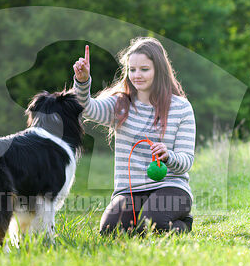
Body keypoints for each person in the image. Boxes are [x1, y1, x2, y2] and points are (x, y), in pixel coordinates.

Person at [72, 37, 196, 235]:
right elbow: (86, 108)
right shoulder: (121, 104)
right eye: (132, 69)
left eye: (144, 69)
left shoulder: (181, 108)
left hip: (171, 187)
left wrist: (168, 156)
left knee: (151, 224)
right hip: (130, 191)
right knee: (111, 232)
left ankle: (183, 225)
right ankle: (148, 224)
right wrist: (82, 81)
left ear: (159, 70)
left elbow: (187, 160)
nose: (137, 75)